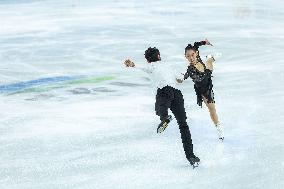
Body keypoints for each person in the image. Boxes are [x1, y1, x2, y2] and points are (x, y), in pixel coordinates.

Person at [124, 47, 200, 167]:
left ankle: (165, 118)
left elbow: (140, 66)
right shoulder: (168, 66)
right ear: (159, 56)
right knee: (183, 125)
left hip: (164, 91)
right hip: (177, 94)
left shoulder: (151, 66)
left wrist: (132, 64)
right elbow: (180, 79)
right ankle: (191, 156)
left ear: (148, 60)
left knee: (159, 108)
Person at [177, 39, 224, 141]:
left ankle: (209, 59)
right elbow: (184, 78)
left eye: (192, 55)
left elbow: (196, 44)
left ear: (196, 53)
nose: (191, 57)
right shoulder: (190, 69)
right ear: (185, 57)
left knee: (209, 65)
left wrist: (205, 42)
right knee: (212, 108)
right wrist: (180, 78)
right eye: (188, 56)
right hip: (203, 89)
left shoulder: (196, 56)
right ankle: (219, 127)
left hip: (207, 76)